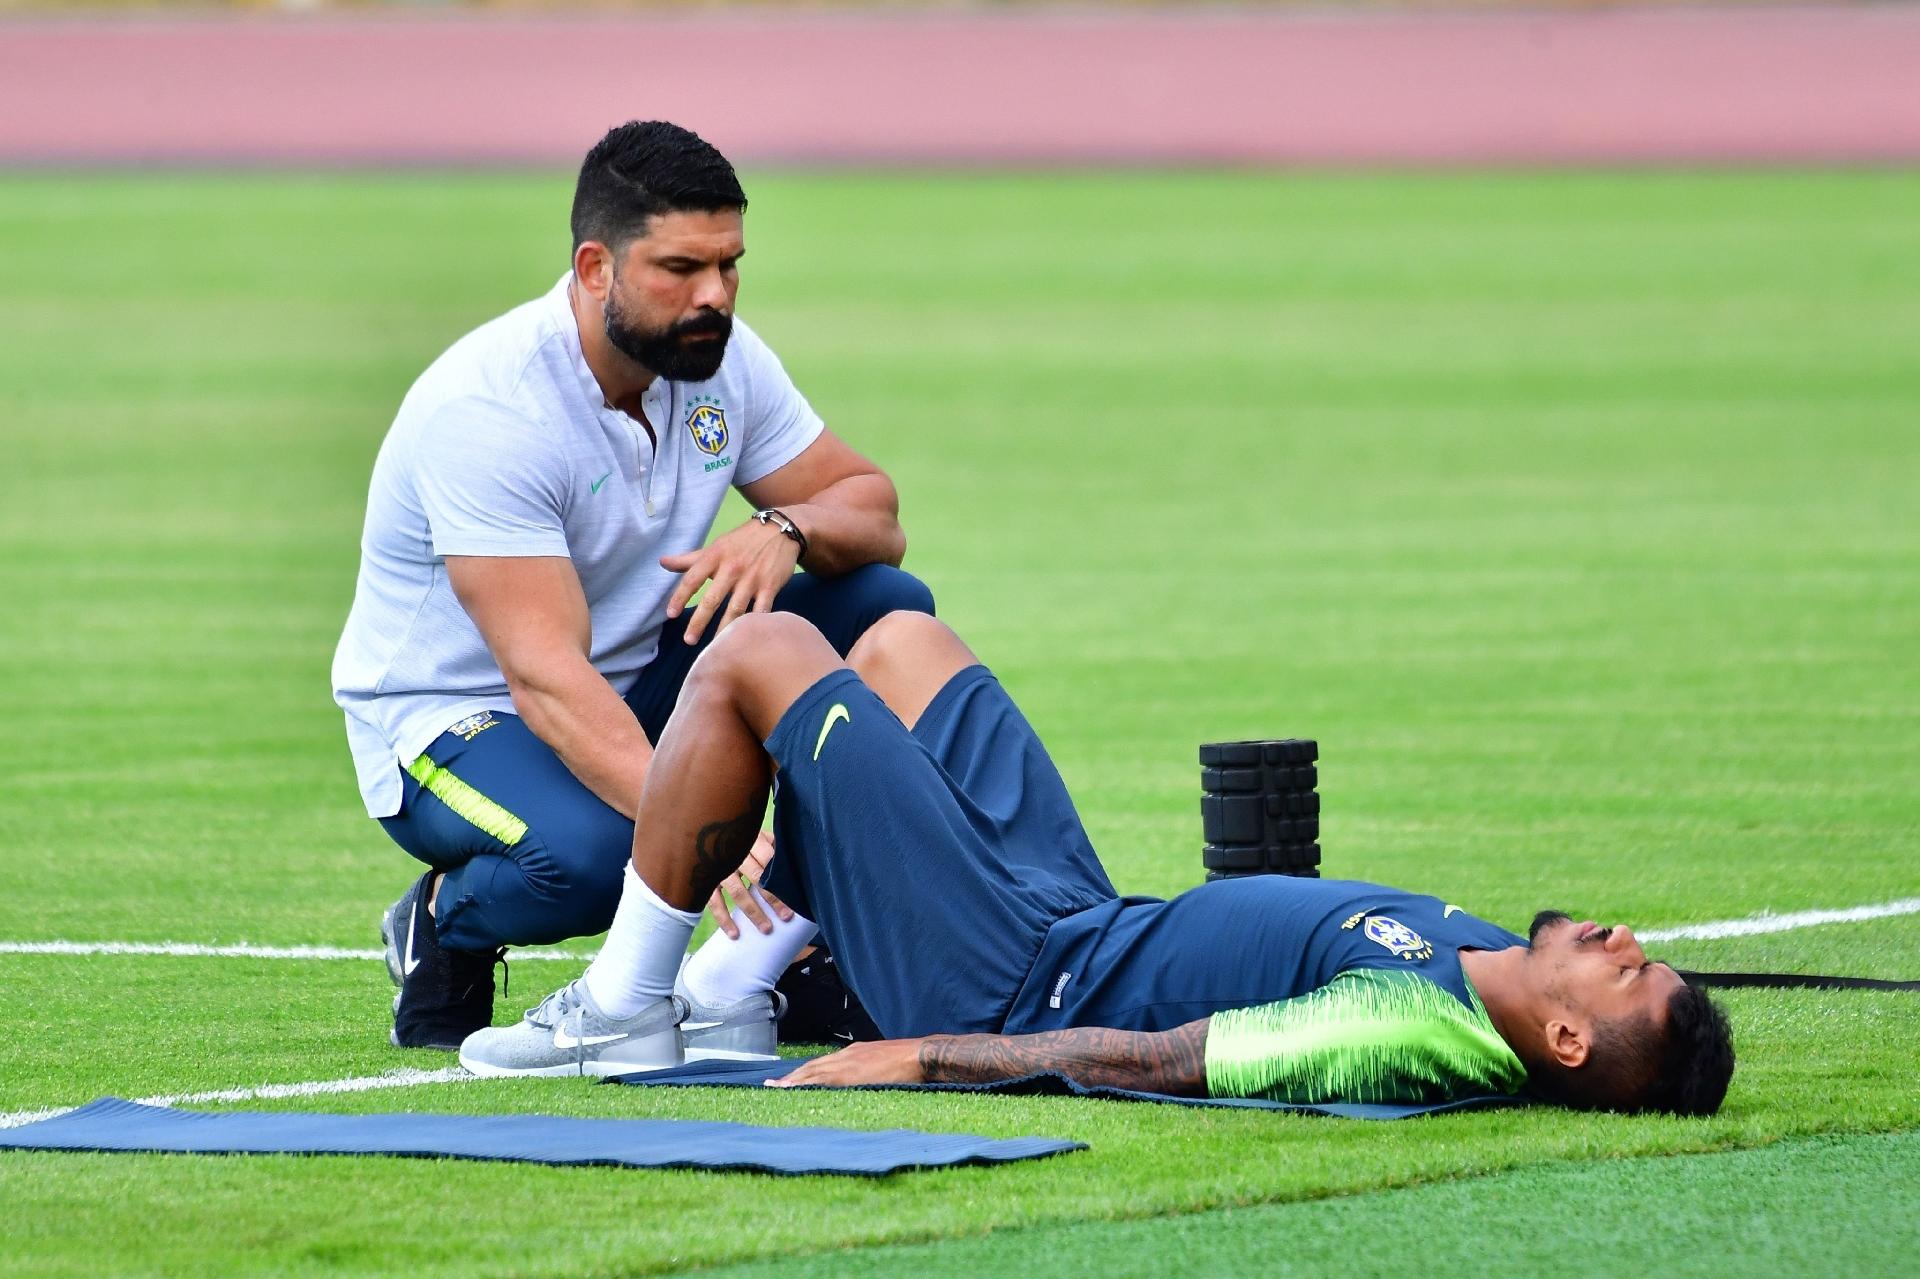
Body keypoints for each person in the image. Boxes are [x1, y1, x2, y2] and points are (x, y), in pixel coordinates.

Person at [460, 612, 1735, 1115]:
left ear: (1566, 1045)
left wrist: (926, 1054)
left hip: (1018, 986)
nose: (1623, 938)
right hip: (1077, 911)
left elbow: (1158, 1061)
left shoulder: (1404, 1032)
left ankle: (626, 1009)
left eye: (1629, 975)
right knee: (906, 641)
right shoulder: (1492, 963)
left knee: (765, 654)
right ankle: (746, 979)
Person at [330, 120, 933, 1050]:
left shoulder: (721, 359)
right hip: (456, 720)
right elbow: (544, 679)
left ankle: (763, 960)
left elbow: (875, 512)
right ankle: (443, 921)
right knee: (595, 855)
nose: (715, 296)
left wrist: (787, 527)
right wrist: (706, 837)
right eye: (681, 268)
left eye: (730, 266)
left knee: (883, 611)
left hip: (633, 673)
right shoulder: (492, 409)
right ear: (594, 267)